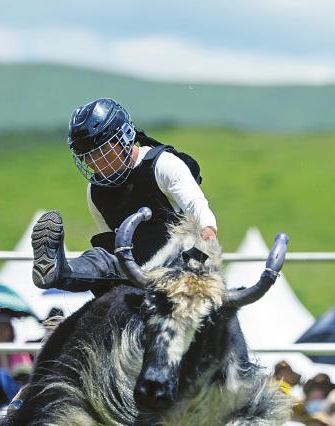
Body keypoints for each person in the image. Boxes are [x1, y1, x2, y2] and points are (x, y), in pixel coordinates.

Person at [31, 98, 217, 293]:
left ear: (125, 137)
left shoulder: (164, 164)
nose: (96, 163)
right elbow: (112, 242)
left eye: (103, 152)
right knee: (101, 258)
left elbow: (198, 210)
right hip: (132, 274)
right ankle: (61, 272)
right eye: (88, 157)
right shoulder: (95, 192)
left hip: (177, 270)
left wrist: (201, 253)